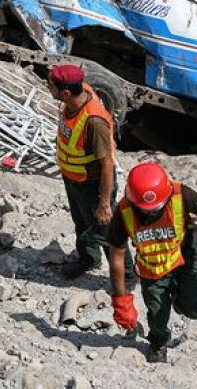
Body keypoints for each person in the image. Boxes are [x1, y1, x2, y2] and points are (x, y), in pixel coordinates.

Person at [106, 162, 197, 363]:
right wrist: (121, 299)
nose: (152, 213)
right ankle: (158, 344)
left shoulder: (181, 195)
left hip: (185, 254)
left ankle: (179, 297)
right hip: (153, 269)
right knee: (157, 313)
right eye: (146, 210)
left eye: (157, 208)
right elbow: (117, 256)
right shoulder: (123, 213)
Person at [47, 64, 134, 282]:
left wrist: (104, 203)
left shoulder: (94, 122)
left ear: (66, 93)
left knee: (106, 231)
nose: (48, 87)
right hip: (74, 179)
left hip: (93, 184)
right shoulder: (75, 96)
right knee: (81, 223)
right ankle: (88, 259)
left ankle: (127, 275)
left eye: (51, 86)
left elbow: (107, 164)